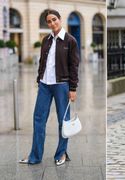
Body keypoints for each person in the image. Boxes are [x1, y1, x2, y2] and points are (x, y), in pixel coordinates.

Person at [19, 9, 80, 166]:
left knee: (63, 121)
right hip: (45, 85)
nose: (52, 23)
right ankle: (35, 156)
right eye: (49, 21)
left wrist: (73, 88)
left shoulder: (70, 40)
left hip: (62, 85)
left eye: (54, 19)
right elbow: (42, 61)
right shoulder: (45, 40)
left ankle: (61, 154)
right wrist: (39, 78)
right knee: (38, 119)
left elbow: (74, 66)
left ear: (60, 19)